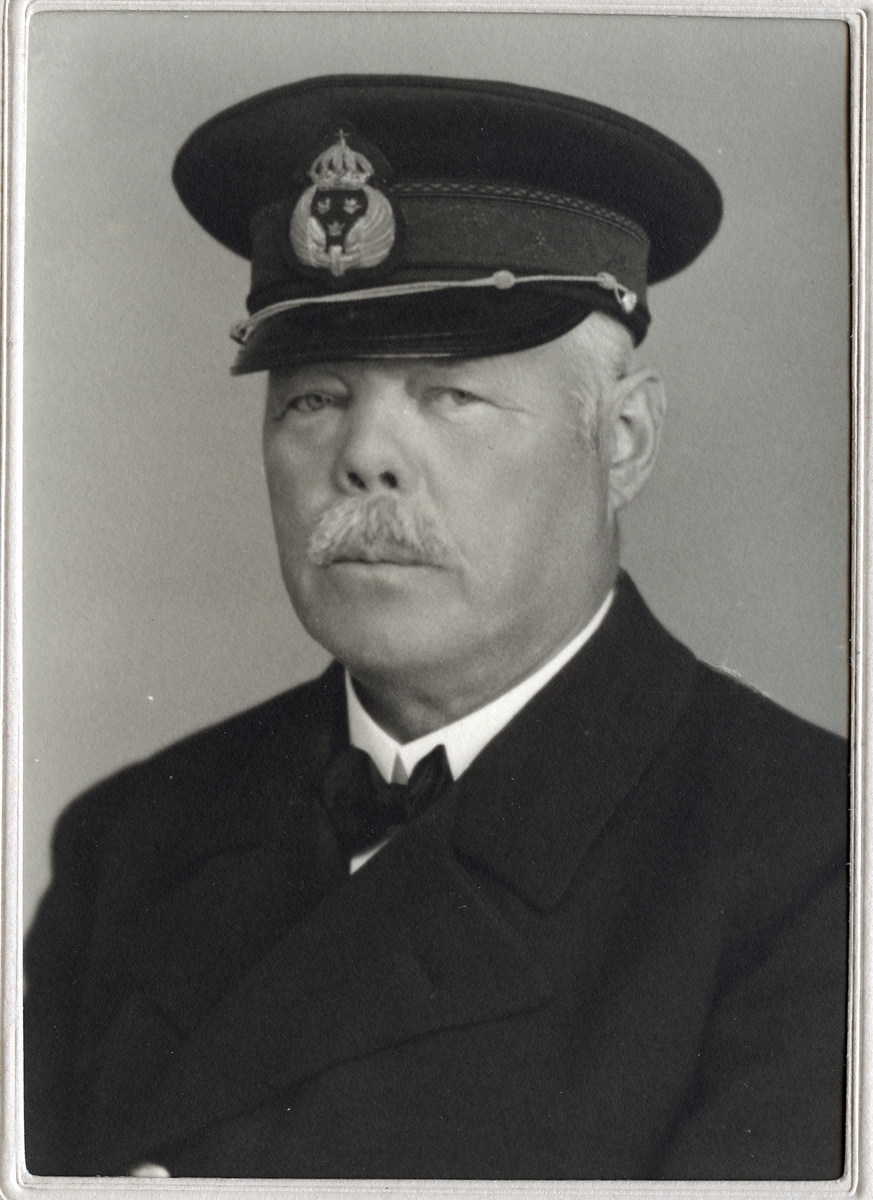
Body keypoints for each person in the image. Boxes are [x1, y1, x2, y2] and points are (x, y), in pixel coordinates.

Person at [23, 74, 848, 1180]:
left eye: (449, 394)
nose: (364, 456)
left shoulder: (820, 860)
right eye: (314, 397)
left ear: (623, 442)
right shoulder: (127, 846)